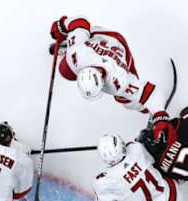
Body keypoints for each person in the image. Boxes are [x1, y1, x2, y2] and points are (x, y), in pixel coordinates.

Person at [49, 15, 176, 145]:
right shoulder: (76, 54)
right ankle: (68, 43)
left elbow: (152, 94)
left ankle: (146, 109)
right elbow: (80, 21)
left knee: (131, 101)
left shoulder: (119, 80)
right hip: (92, 44)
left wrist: (160, 116)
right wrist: (62, 26)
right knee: (65, 70)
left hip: (115, 42)